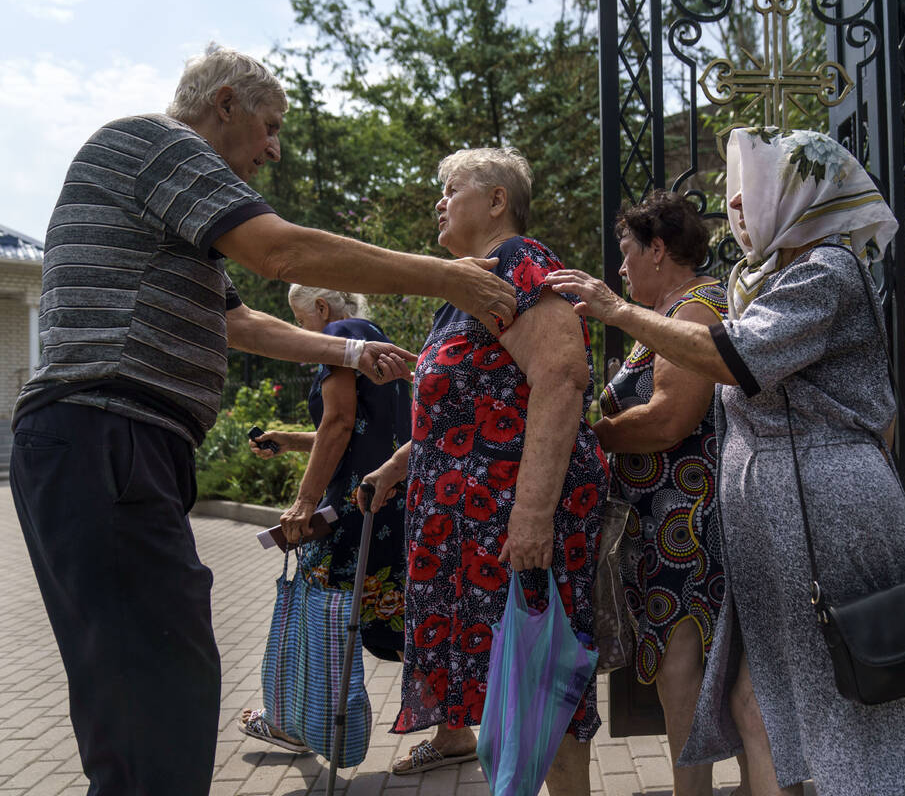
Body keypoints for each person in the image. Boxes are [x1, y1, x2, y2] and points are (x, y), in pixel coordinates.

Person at [8, 45, 515, 796]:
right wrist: (444, 276)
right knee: (161, 688)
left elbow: (243, 326)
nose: (274, 148)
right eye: (270, 126)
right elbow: (278, 252)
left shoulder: (167, 203)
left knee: (136, 694)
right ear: (224, 105)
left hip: (104, 444)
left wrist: (354, 355)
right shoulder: (157, 144)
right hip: (105, 434)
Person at [547, 127, 905, 796]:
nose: (736, 207)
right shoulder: (770, 276)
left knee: (849, 695)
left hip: (822, 510)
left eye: (750, 191)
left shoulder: (826, 269)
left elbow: (733, 358)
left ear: (800, 195)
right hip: (780, 512)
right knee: (756, 702)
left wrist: (618, 311)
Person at [357, 147, 607, 793]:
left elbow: (560, 376)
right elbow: (467, 411)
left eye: (450, 188)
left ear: (497, 200)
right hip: (478, 535)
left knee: (541, 686)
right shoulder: (464, 287)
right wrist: (397, 468)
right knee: (512, 691)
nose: (438, 201)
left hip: (512, 529)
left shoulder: (517, 262)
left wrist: (530, 516)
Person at [591, 189, 745, 796]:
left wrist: (593, 435)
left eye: (627, 252)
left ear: (659, 250)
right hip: (664, 519)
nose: (620, 268)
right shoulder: (673, 312)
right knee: (679, 660)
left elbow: (672, 416)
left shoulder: (695, 312)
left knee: (682, 661)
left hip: (689, 522)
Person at [238, 287, 411, 752]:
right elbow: (355, 426)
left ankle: (294, 721)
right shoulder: (377, 337)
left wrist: (303, 501)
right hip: (391, 503)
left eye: (300, 322)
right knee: (392, 617)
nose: (304, 335)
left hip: (352, 510)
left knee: (317, 611)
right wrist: (287, 440)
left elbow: (338, 422)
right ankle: (453, 729)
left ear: (320, 309)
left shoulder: (338, 337)